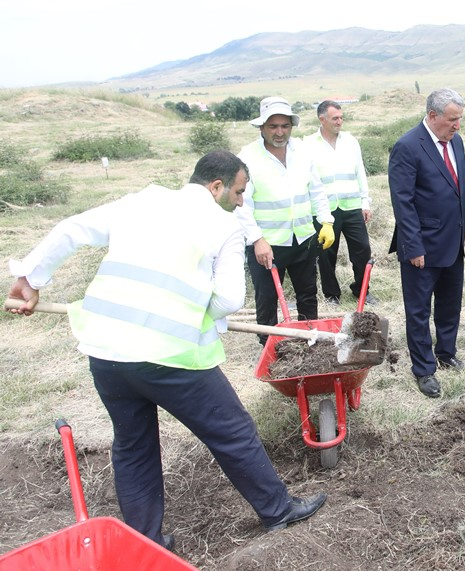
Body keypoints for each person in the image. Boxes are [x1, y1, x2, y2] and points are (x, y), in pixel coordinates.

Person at [5, 151, 327, 549]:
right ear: (216, 187)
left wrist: (30, 276)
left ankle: (146, 540)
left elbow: (72, 229)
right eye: (240, 192)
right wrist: (201, 311)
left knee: (133, 444)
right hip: (168, 356)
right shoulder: (222, 225)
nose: (242, 202)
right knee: (232, 431)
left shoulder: (139, 201)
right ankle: (278, 511)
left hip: (105, 352)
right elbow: (228, 300)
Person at [389, 88, 465, 397]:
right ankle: (424, 369)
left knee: (450, 303)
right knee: (418, 310)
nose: (458, 126)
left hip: (453, 241)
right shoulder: (408, 147)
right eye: (453, 120)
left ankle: (446, 352)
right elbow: (403, 202)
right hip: (422, 246)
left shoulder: (457, 142)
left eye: (460, 119)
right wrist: (413, 247)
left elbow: (464, 183)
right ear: (432, 116)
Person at [236, 97, 335, 346]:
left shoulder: (303, 152)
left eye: (285, 126)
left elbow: (317, 190)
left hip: (302, 237)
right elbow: (241, 206)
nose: (280, 132)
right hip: (267, 245)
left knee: (307, 294)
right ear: (262, 128)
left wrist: (326, 221)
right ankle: (269, 345)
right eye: (273, 126)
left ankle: (309, 339)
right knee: (267, 298)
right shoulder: (247, 158)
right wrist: (257, 240)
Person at [305, 99, 377, 306]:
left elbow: (360, 172)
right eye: (335, 118)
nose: (339, 121)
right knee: (326, 253)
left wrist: (365, 202)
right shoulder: (308, 145)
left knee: (362, 250)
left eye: (341, 117)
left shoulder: (351, 141)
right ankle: (331, 295)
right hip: (325, 210)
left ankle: (362, 290)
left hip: (352, 206)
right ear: (322, 119)